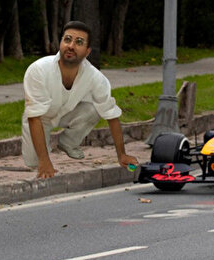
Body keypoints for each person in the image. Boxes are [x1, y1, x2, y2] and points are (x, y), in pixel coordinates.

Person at [21, 20, 138, 179]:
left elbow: (111, 115)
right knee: (33, 163)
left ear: (87, 51)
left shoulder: (95, 77)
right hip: (40, 119)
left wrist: (122, 155)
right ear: (61, 43)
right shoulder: (38, 70)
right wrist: (44, 160)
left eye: (79, 42)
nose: (71, 46)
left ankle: (68, 143)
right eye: (67, 39)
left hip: (66, 114)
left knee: (95, 108)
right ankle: (40, 154)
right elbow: (34, 117)